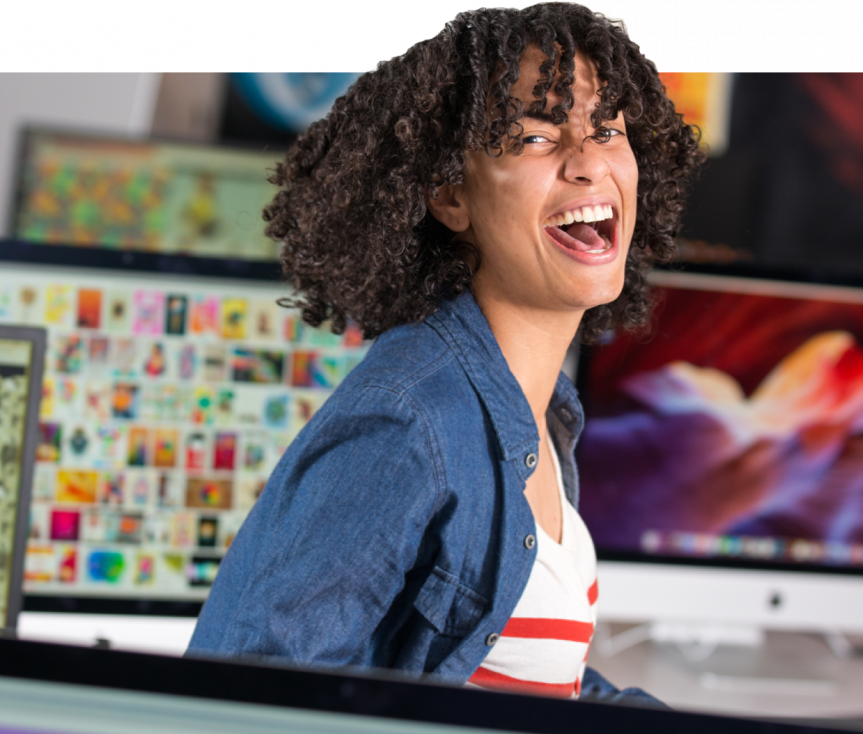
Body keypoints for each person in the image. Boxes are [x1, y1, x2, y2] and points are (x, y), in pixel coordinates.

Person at [188, 1, 701, 706]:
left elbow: (525, 676)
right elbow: (244, 708)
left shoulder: (544, 414)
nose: (588, 164)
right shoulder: (409, 423)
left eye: (606, 130)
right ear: (451, 197)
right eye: (535, 138)